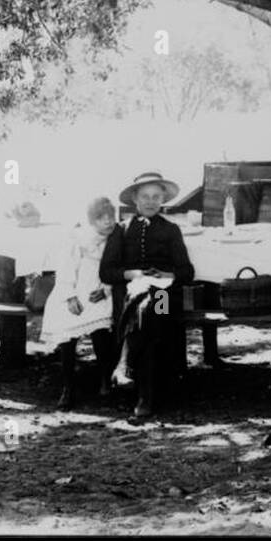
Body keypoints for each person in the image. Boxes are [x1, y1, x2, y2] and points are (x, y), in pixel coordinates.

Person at [99, 171, 195, 421]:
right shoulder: (121, 230)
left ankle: (136, 379)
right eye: (145, 197)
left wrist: (165, 274)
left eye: (156, 197)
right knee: (144, 312)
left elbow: (186, 271)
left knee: (153, 312)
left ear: (163, 199)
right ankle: (144, 394)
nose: (151, 202)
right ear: (135, 199)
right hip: (130, 293)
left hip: (164, 295)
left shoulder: (171, 230)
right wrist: (133, 274)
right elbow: (107, 272)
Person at [40, 196, 118, 409]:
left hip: (100, 291)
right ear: (92, 221)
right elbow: (66, 269)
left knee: (102, 331)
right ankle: (68, 386)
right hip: (74, 289)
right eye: (102, 218)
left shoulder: (116, 238)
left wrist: (106, 289)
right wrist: (70, 296)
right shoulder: (78, 238)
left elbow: (116, 270)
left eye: (111, 217)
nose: (108, 222)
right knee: (67, 332)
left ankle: (105, 379)